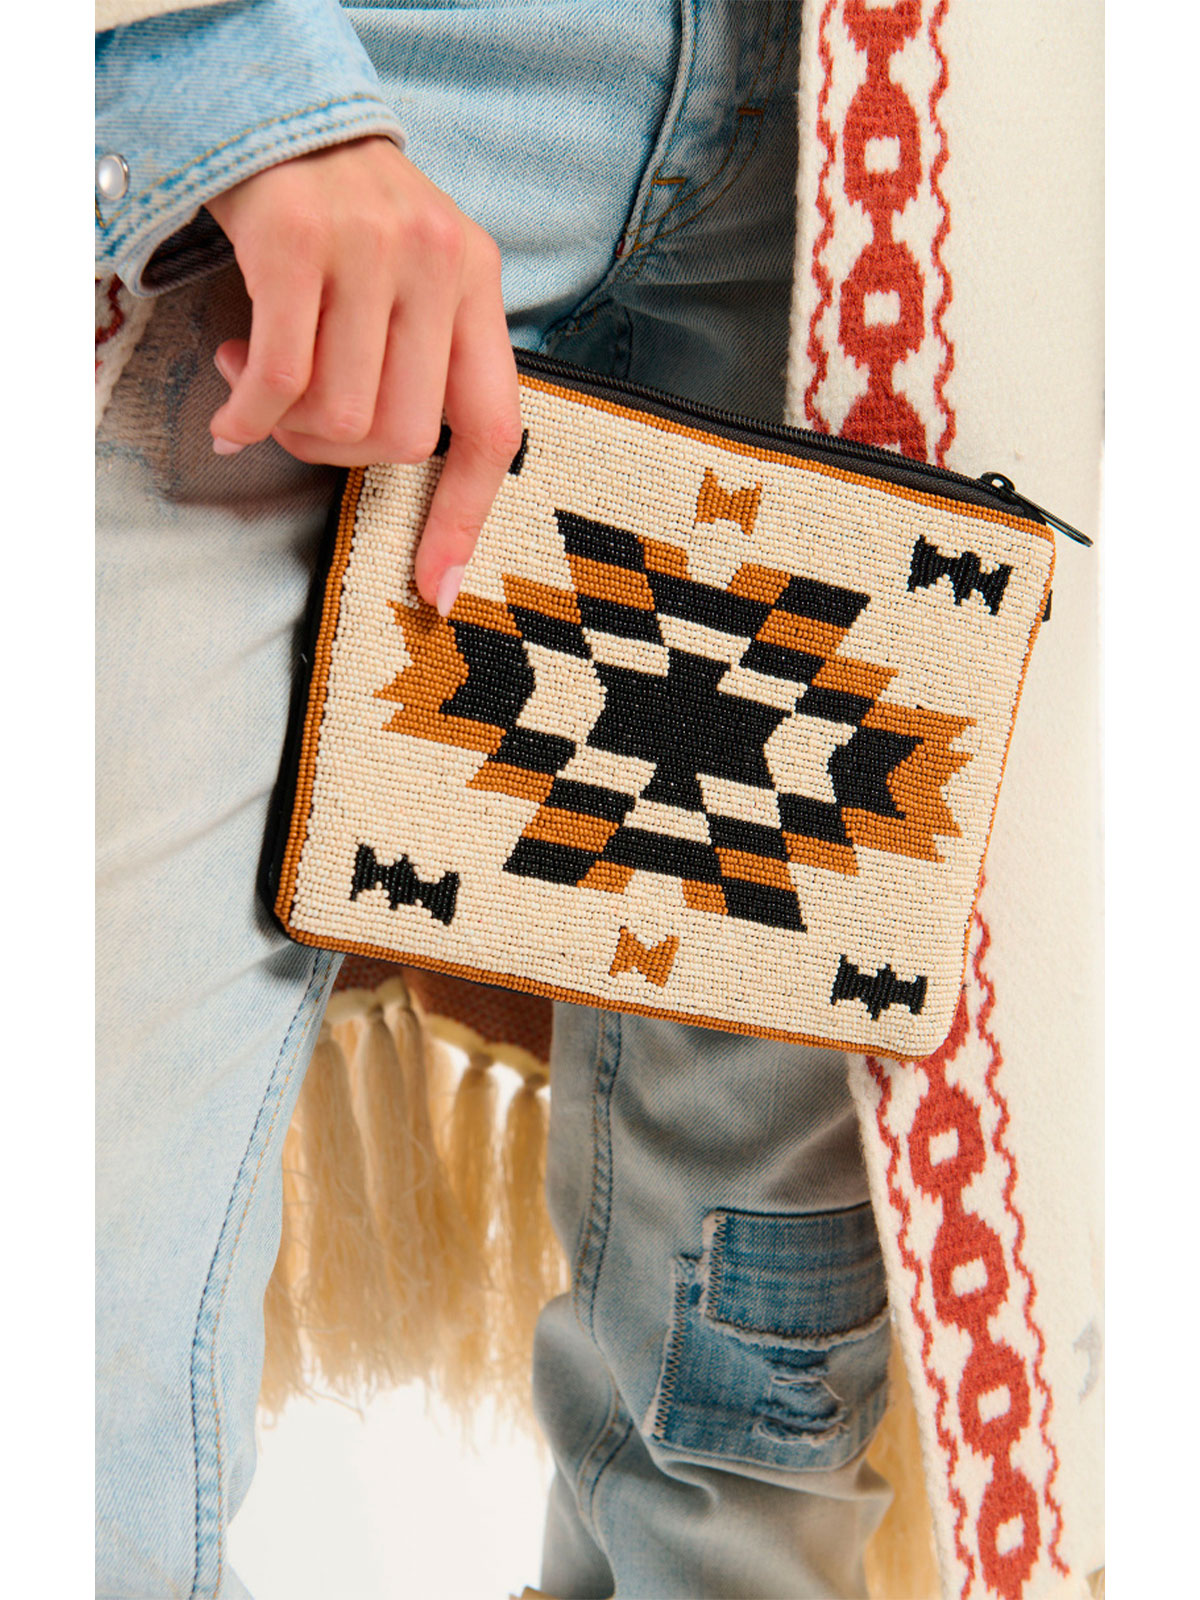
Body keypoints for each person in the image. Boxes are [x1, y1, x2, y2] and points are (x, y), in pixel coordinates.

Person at [96, 2, 891, 1595]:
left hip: (881, 134)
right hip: (333, 82)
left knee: (759, 1398)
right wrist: (228, 69)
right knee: (81, 1341)